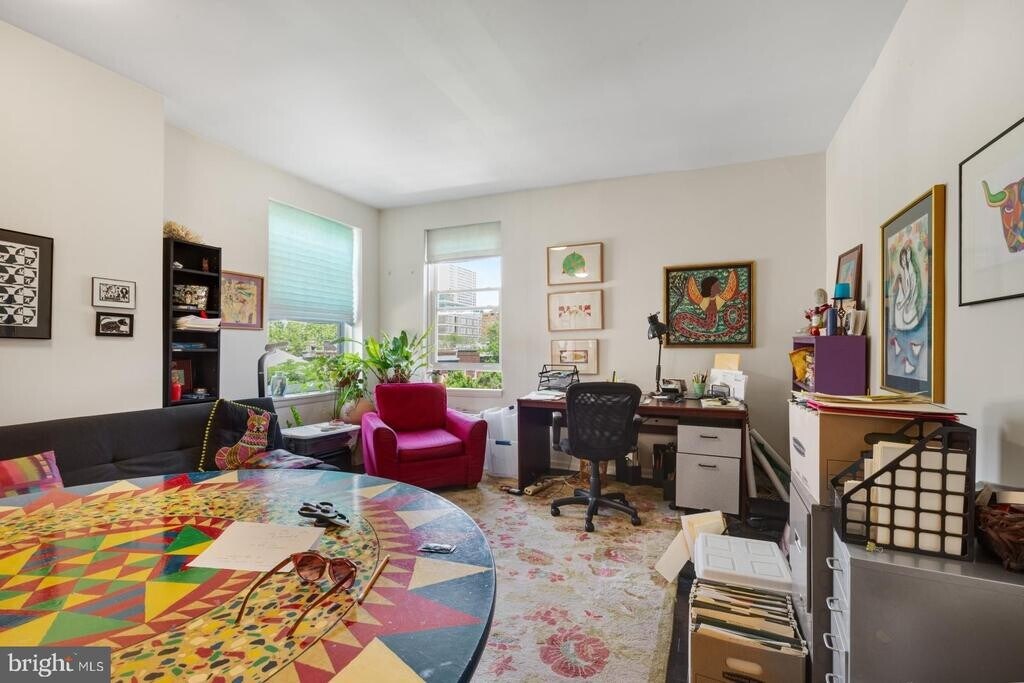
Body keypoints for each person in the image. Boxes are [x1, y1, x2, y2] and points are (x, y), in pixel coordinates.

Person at [892, 245, 920, 330]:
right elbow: (894, 289)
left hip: (906, 301)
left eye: (904, 259)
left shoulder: (909, 271)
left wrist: (902, 304)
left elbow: (908, 291)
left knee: (908, 322)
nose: (903, 261)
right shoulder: (902, 271)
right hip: (902, 300)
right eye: (902, 259)